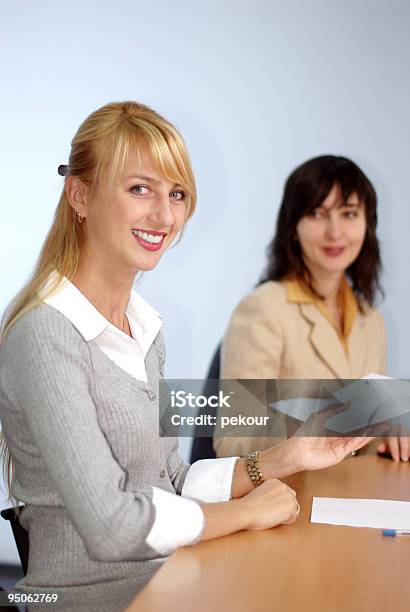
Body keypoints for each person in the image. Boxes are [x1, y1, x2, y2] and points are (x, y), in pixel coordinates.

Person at [0, 105, 370, 611]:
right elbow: (111, 526)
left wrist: (291, 456)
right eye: (139, 189)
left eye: (176, 194)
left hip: (171, 577)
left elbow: (169, 482)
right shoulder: (45, 335)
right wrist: (247, 513)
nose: (165, 215)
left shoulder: (144, 328)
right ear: (80, 195)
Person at [214, 155, 409, 462]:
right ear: (293, 227)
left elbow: (364, 437)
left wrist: (391, 431)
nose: (335, 232)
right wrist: (309, 426)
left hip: (355, 496)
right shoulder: (262, 310)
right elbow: (232, 441)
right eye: (317, 214)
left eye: (349, 213)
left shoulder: (371, 321)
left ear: (367, 223)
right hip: (291, 497)